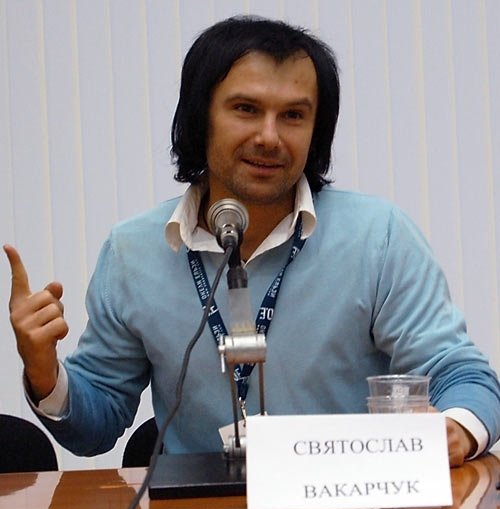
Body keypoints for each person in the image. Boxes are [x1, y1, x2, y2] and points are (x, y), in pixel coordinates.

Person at [4, 15, 500, 467]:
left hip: (345, 506)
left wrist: (455, 429)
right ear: (200, 117)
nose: (269, 136)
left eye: (293, 116)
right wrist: (45, 372)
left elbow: (463, 376)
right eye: (246, 109)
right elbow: (96, 424)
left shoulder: (378, 236)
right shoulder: (133, 252)